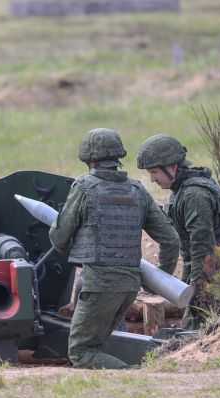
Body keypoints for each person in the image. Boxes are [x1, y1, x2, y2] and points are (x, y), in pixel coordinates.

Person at [49, 128, 180, 369]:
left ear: (89, 159)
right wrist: (160, 276)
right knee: (97, 345)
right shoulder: (138, 190)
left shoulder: (84, 187)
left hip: (99, 286)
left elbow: (59, 239)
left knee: (81, 353)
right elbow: (171, 239)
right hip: (129, 287)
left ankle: (133, 376)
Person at [136, 134, 220, 330]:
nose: (152, 179)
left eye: (155, 172)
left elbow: (204, 250)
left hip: (215, 277)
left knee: (199, 331)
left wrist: (198, 292)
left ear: (173, 167)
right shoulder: (184, 190)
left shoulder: (194, 195)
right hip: (210, 274)